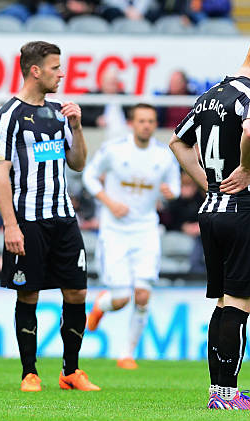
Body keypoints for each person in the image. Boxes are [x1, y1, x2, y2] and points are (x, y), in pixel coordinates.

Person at [168, 34, 250, 410]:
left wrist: (208, 182)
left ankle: (217, 393)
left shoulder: (208, 96)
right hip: (244, 211)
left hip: (211, 210)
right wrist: (244, 167)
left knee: (223, 303)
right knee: (240, 304)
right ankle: (228, 395)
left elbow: (177, 143)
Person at [0, 41, 99, 392]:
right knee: (29, 295)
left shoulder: (58, 112)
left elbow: (78, 163)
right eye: (55, 67)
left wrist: (78, 127)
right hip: (28, 220)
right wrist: (10, 225)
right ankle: (29, 373)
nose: (61, 73)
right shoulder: (8, 115)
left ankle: (71, 371)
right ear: (35, 70)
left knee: (77, 293)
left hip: (64, 218)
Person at [83, 103, 180, 369]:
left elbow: (175, 185)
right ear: (132, 123)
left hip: (146, 229)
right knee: (121, 297)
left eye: (150, 121)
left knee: (142, 295)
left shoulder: (163, 156)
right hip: (114, 231)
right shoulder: (115, 150)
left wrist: (170, 192)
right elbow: (89, 177)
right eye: (141, 121)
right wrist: (108, 201)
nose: (146, 125)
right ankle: (101, 306)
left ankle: (127, 354)